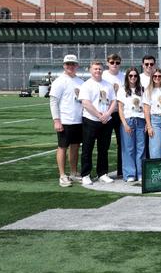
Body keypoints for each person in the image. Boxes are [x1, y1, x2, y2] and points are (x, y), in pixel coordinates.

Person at [78, 60, 116, 185]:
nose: (98, 71)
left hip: (106, 121)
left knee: (103, 149)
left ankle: (102, 173)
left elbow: (113, 101)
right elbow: (86, 103)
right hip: (91, 120)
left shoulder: (108, 85)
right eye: (95, 69)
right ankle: (85, 174)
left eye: (99, 69)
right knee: (87, 149)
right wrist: (99, 115)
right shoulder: (86, 85)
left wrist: (107, 114)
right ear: (90, 70)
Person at [49, 54, 84, 187]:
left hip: (78, 120)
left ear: (77, 65)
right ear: (64, 65)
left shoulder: (80, 82)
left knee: (75, 147)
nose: (70, 66)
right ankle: (62, 175)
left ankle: (74, 172)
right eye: (68, 64)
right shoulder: (59, 81)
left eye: (73, 64)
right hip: (65, 120)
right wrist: (56, 120)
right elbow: (53, 102)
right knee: (62, 147)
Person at [117, 66, 145, 182]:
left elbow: (146, 106)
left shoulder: (142, 89)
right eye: (130, 76)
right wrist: (125, 124)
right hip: (128, 120)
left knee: (141, 148)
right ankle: (129, 174)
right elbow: (120, 108)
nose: (133, 78)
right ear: (127, 77)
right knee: (128, 149)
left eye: (135, 76)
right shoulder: (122, 89)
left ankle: (140, 173)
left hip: (140, 120)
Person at [102, 53, 125, 177]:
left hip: (121, 113)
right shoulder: (103, 75)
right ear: (107, 63)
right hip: (106, 113)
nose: (114, 65)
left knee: (122, 143)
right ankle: (103, 172)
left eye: (117, 62)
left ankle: (121, 170)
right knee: (104, 143)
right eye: (112, 62)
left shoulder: (124, 76)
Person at [143, 68, 161, 159]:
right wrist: (149, 126)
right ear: (152, 77)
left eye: (159, 76)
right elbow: (146, 110)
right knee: (155, 149)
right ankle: (157, 171)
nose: (157, 78)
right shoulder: (148, 91)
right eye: (155, 76)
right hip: (155, 121)